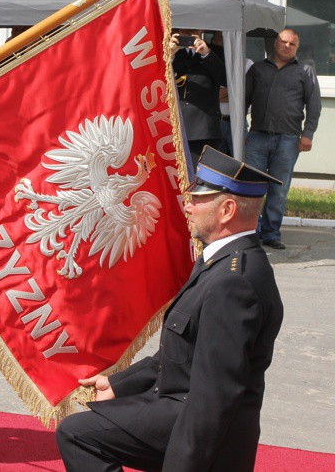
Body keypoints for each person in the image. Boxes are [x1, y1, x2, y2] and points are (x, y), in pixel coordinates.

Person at [56, 146, 284, 472]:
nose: (188, 205)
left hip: (199, 426)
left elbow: (214, 397)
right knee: (81, 429)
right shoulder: (219, 261)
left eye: (199, 198)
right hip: (175, 404)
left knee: (78, 434)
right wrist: (120, 384)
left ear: (227, 209)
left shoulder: (235, 282)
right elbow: (180, 354)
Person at [245, 28, 321, 250]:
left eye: (292, 44)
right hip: (257, 137)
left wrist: (308, 134)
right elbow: (244, 100)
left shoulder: (304, 71)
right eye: (284, 41)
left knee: (279, 189)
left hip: (288, 139)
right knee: (252, 187)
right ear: (275, 43)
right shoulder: (258, 69)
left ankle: (271, 234)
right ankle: (250, 232)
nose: (287, 46)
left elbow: (314, 105)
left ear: (297, 47)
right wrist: (241, 129)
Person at [170, 29, 227, 168]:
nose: (188, 35)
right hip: (175, 125)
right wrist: (169, 56)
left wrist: (206, 54)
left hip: (204, 127)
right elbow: (156, 80)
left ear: (202, 30)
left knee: (200, 178)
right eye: (184, 32)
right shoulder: (170, 52)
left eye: (192, 32)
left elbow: (225, 80)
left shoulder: (215, 52)